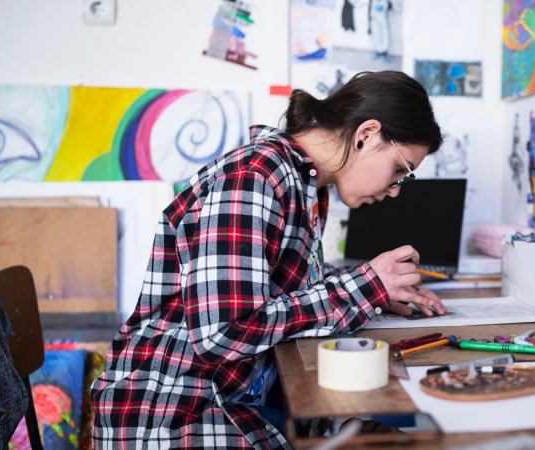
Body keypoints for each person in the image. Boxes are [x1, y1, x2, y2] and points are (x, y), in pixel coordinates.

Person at [91, 71, 447, 450]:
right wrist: (364, 287)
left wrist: (379, 289)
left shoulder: (307, 186)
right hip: (175, 411)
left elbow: (278, 286)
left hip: (233, 398)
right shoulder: (253, 177)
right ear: (367, 135)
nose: (395, 191)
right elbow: (223, 332)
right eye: (400, 170)